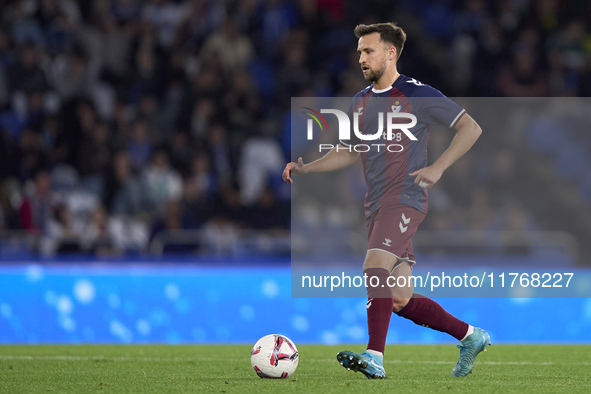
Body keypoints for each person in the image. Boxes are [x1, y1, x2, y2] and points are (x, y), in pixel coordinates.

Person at [282, 23, 488, 379]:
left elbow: (471, 127)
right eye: (359, 51)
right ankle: (471, 336)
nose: (360, 58)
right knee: (398, 299)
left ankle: (374, 355)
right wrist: (308, 169)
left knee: (374, 266)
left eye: (368, 51)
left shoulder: (417, 94)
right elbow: (348, 151)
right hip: (376, 205)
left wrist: (438, 167)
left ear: (390, 53)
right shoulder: (360, 101)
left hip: (405, 198)